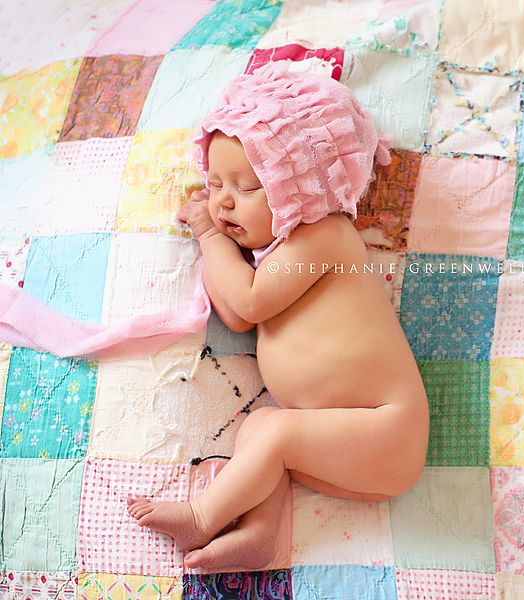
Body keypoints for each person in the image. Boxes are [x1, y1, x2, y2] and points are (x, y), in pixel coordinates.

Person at [126, 62, 429, 570]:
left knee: (278, 434)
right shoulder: (262, 260)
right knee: (263, 428)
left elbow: (247, 302)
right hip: (343, 441)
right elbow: (236, 314)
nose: (223, 200)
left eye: (246, 187)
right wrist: (219, 249)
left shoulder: (324, 237)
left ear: (300, 185)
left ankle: (203, 517)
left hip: (385, 430)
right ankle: (262, 536)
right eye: (216, 183)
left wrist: (207, 235)